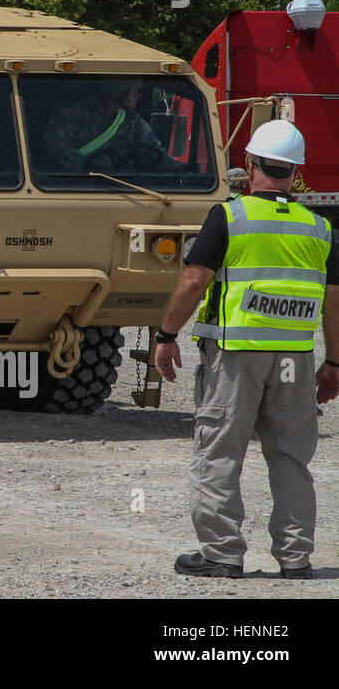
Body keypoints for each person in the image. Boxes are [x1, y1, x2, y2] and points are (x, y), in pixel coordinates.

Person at [154, 120, 339, 579]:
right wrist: (333, 361)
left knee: (220, 452)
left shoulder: (230, 217)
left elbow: (195, 280)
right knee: (292, 457)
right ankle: (296, 559)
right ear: (295, 172)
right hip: (295, 360)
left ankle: (221, 553)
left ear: (251, 165)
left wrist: (165, 335)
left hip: (235, 356)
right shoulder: (319, 227)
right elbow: (334, 300)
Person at [41, 79, 179, 173]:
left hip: (121, 185)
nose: (139, 95)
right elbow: (53, 143)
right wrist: (84, 165)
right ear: (118, 90)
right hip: (72, 184)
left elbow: (151, 149)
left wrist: (179, 169)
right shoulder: (77, 111)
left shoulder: (132, 119)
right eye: (135, 89)